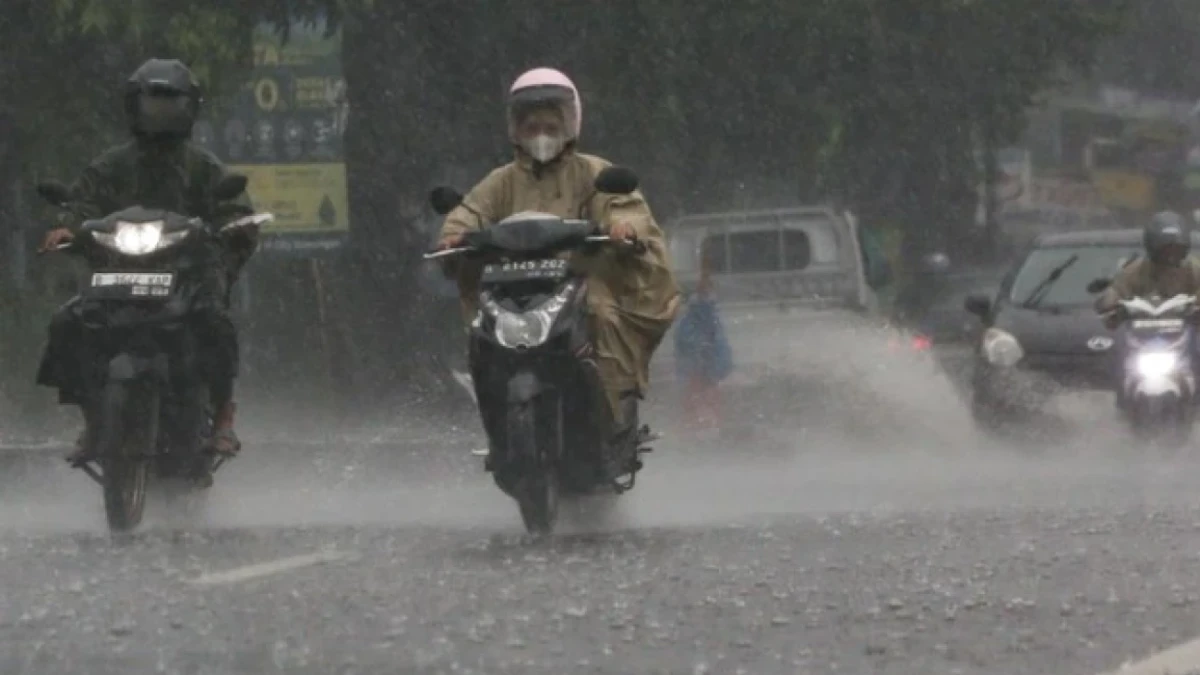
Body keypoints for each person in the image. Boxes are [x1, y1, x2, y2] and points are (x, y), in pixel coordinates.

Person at [437, 67, 681, 447]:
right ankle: (495, 419)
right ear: (515, 128)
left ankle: (614, 412)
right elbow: (469, 211)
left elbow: (624, 206)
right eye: (531, 126)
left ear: (570, 123)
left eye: (550, 125)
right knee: (480, 335)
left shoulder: (594, 172)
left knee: (602, 313)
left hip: (579, 282)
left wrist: (623, 228)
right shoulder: (500, 181)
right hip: (512, 287)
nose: (541, 135)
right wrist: (453, 236)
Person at [37, 58, 259, 463]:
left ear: (189, 109)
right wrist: (66, 227)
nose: (160, 116)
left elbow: (234, 208)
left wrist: (233, 229)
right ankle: (91, 419)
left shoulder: (203, 166)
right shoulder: (112, 164)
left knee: (215, 321)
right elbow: (82, 201)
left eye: (170, 106)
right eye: (152, 106)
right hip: (118, 273)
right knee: (69, 322)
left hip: (187, 276)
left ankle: (224, 417)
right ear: (132, 107)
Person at [1095, 211, 1200, 325]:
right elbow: (1115, 293)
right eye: (1165, 250)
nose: (1171, 256)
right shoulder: (1136, 270)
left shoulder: (1194, 269)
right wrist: (1110, 305)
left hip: (1191, 334)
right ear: (1152, 247)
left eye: (1177, 249)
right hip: (1142, 332)